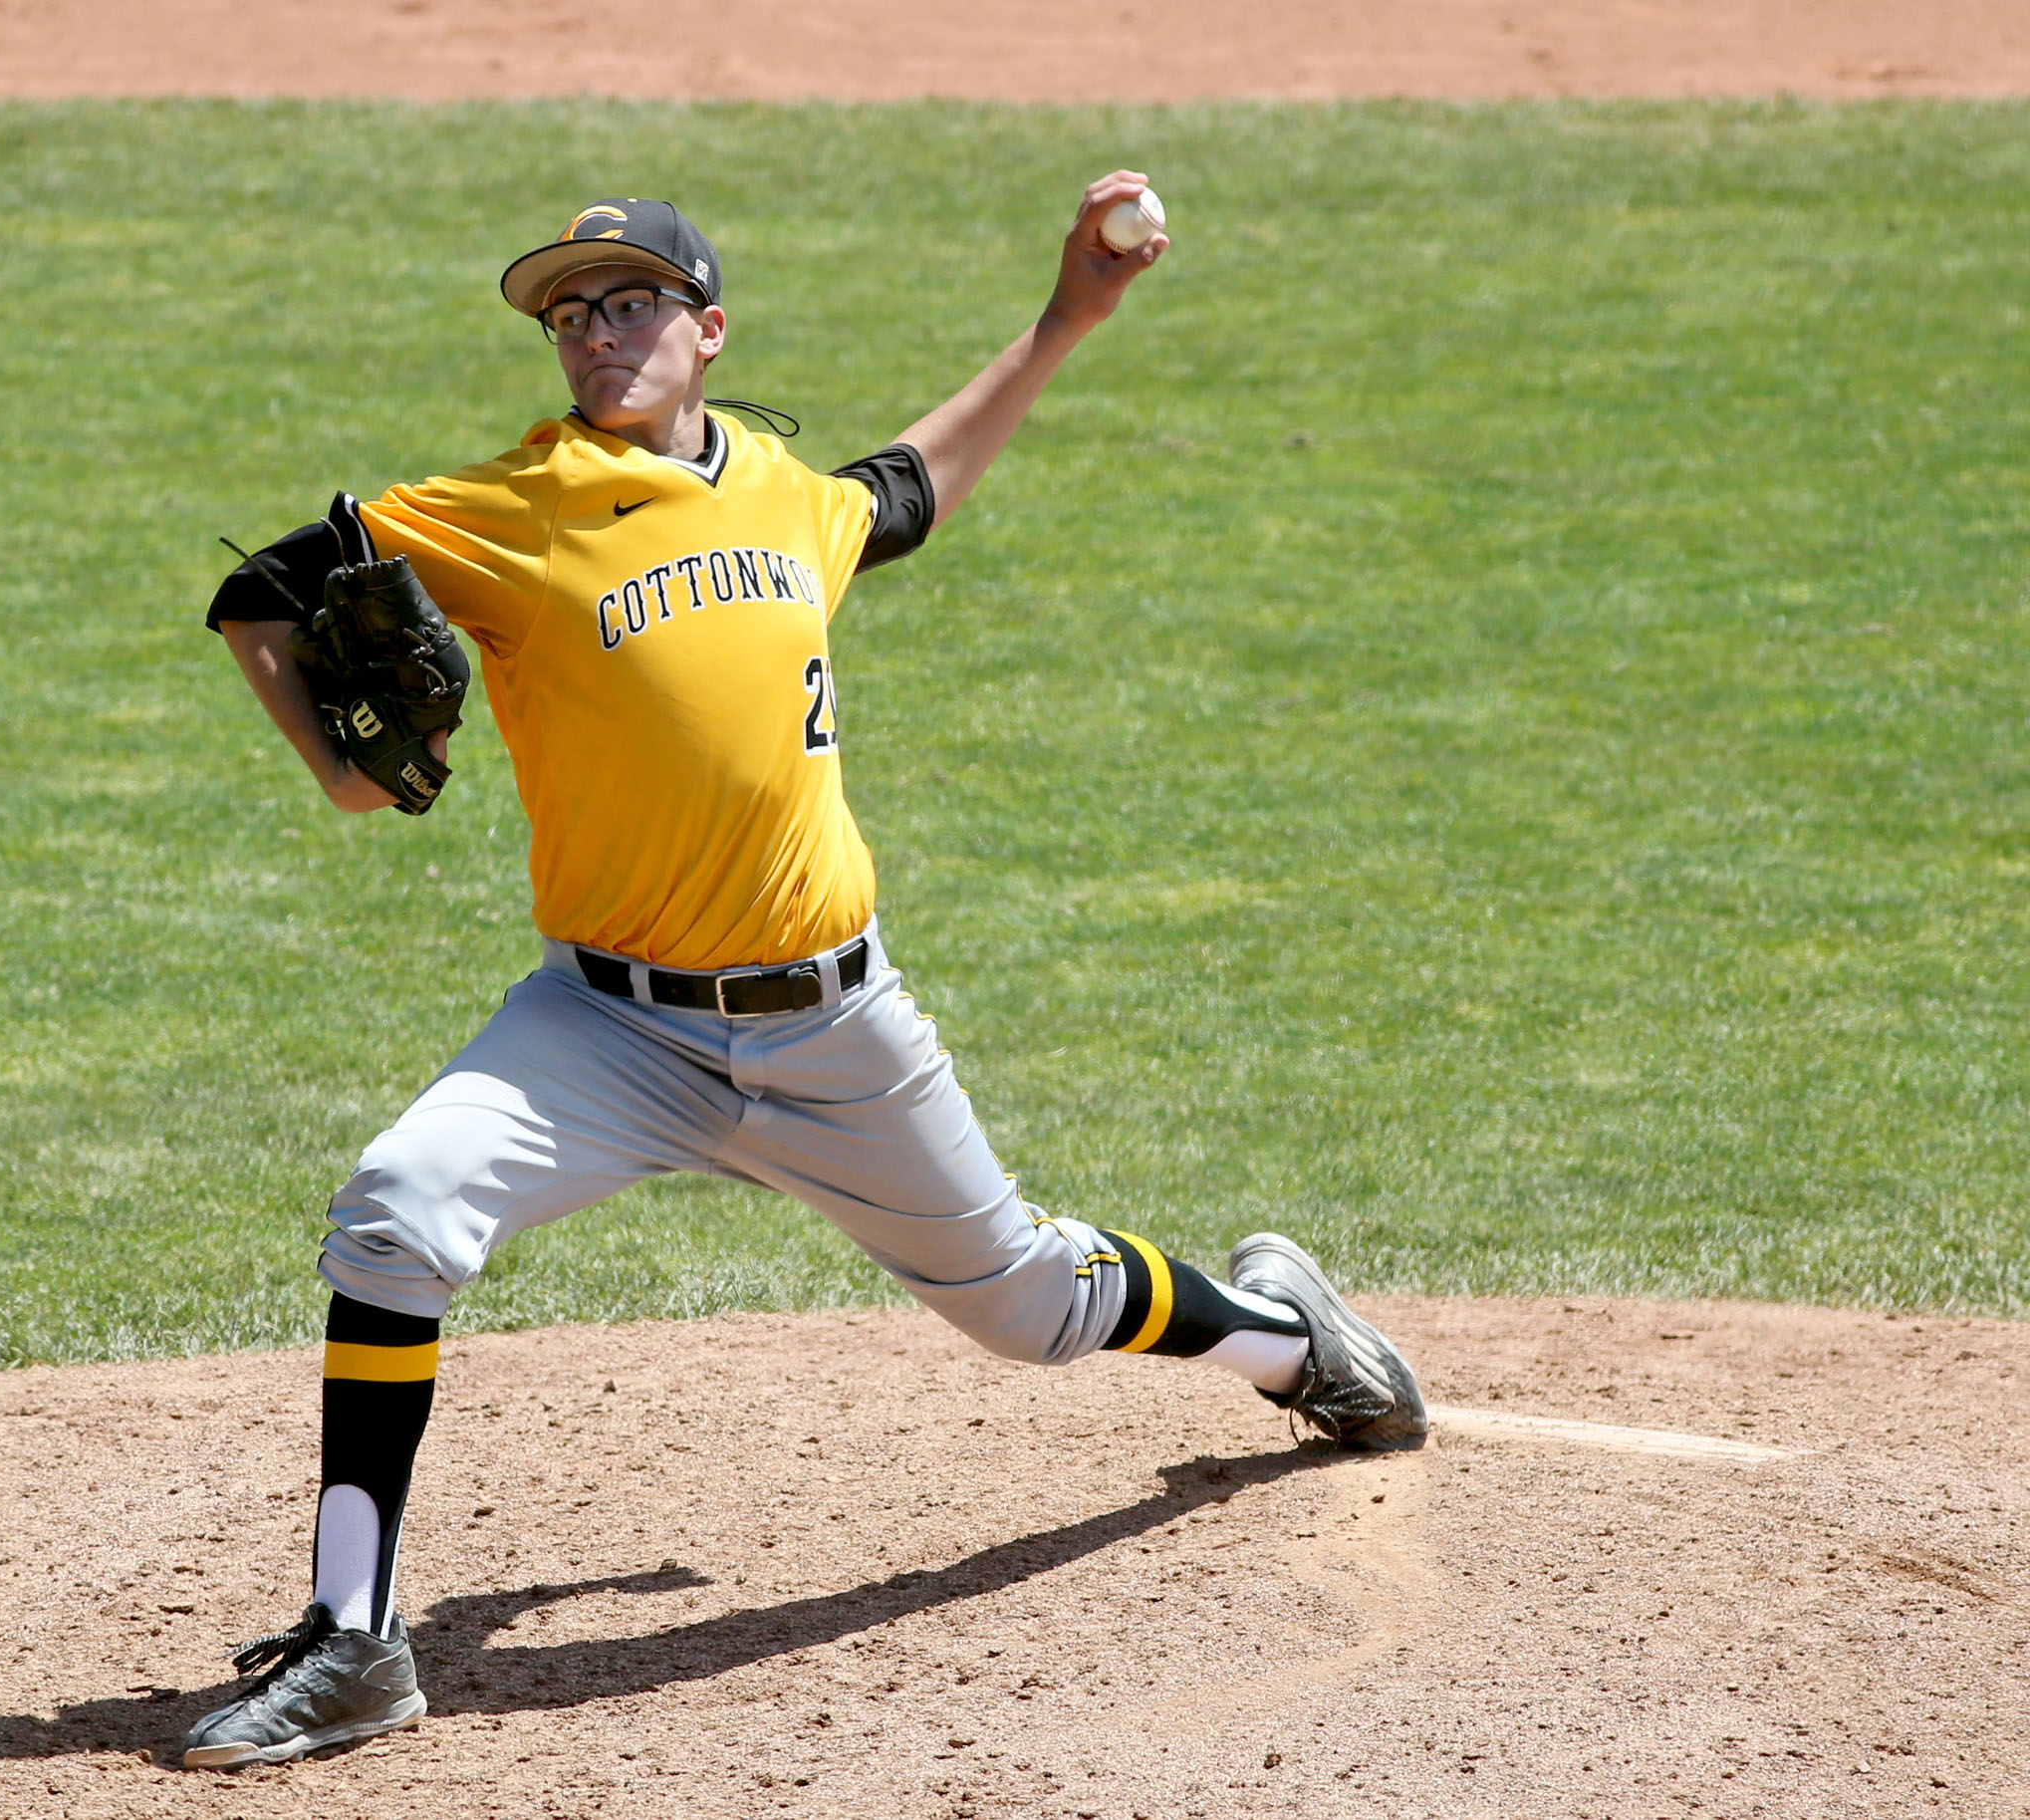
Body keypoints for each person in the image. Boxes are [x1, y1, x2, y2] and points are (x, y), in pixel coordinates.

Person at [184, 173, 1426, 1770]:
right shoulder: (515, 503)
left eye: (629, 300)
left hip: (834, 1026)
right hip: (606, 1029)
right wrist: (337, 770)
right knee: (397, 1208)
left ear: (707, 329)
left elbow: (906, 488)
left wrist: (1066, 319)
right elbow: (258, 592)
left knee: (1033, 1309)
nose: (595, 329)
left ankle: (1296, 1345)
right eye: (570, 310)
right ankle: (356, 1640)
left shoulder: (785, 499)